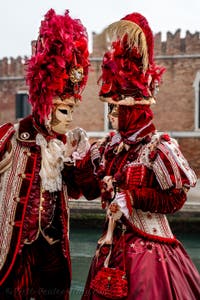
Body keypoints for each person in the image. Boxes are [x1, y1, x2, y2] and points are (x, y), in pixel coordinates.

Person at [81, 12, 200, 300]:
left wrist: (135, 197)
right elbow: (87, 190)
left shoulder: (158, 148)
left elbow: (176, 199)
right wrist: (76, 158)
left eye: (116, 108)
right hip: (110, 249)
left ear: (134, 108)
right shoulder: (109, 147)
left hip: (150, 254)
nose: (110, 115)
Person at [0, 8, 100, 300]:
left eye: (72, 110)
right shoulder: (12, 136)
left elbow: (88, 191)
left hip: (53, 251)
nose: (69, 118)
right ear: (45, 104)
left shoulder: (68, 145)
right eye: (64, 110)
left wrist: (82, 162)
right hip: (16, 253)